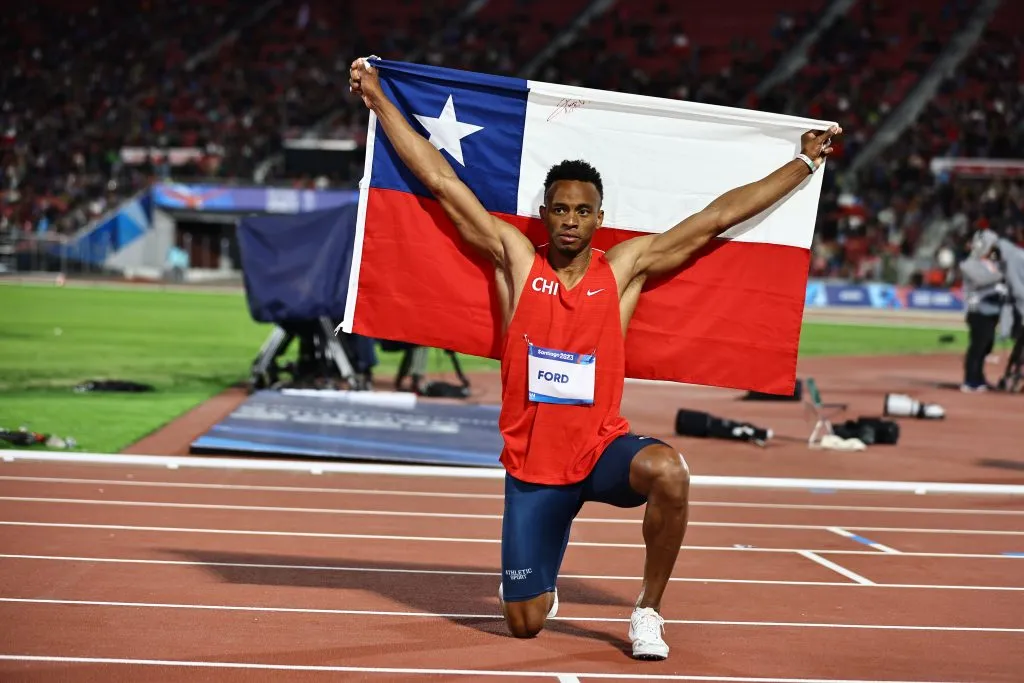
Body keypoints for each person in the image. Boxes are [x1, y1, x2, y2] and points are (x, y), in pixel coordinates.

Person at [349, 56, 840, 660]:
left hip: (600, 450)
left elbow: (716, 218)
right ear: (545, 214)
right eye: (560, 209)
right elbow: (443, 183)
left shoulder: (625, 270)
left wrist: (804, 161)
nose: (571, 221)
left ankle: (648, 611)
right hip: (532, 470)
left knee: (670, 473)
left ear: (599, 218)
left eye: (583, 211)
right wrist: (378, 98)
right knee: (524, 624)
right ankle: (544, 571)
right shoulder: (516, 261)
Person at [958, 230, 1007, 392]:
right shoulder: (968, 264)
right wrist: (1003, 275)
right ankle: (970, 379)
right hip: (977, 310)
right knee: (977, 346)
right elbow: (981, 280)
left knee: (987, 344)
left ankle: (979, 377)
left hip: (992, 309)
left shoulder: (992, 264)